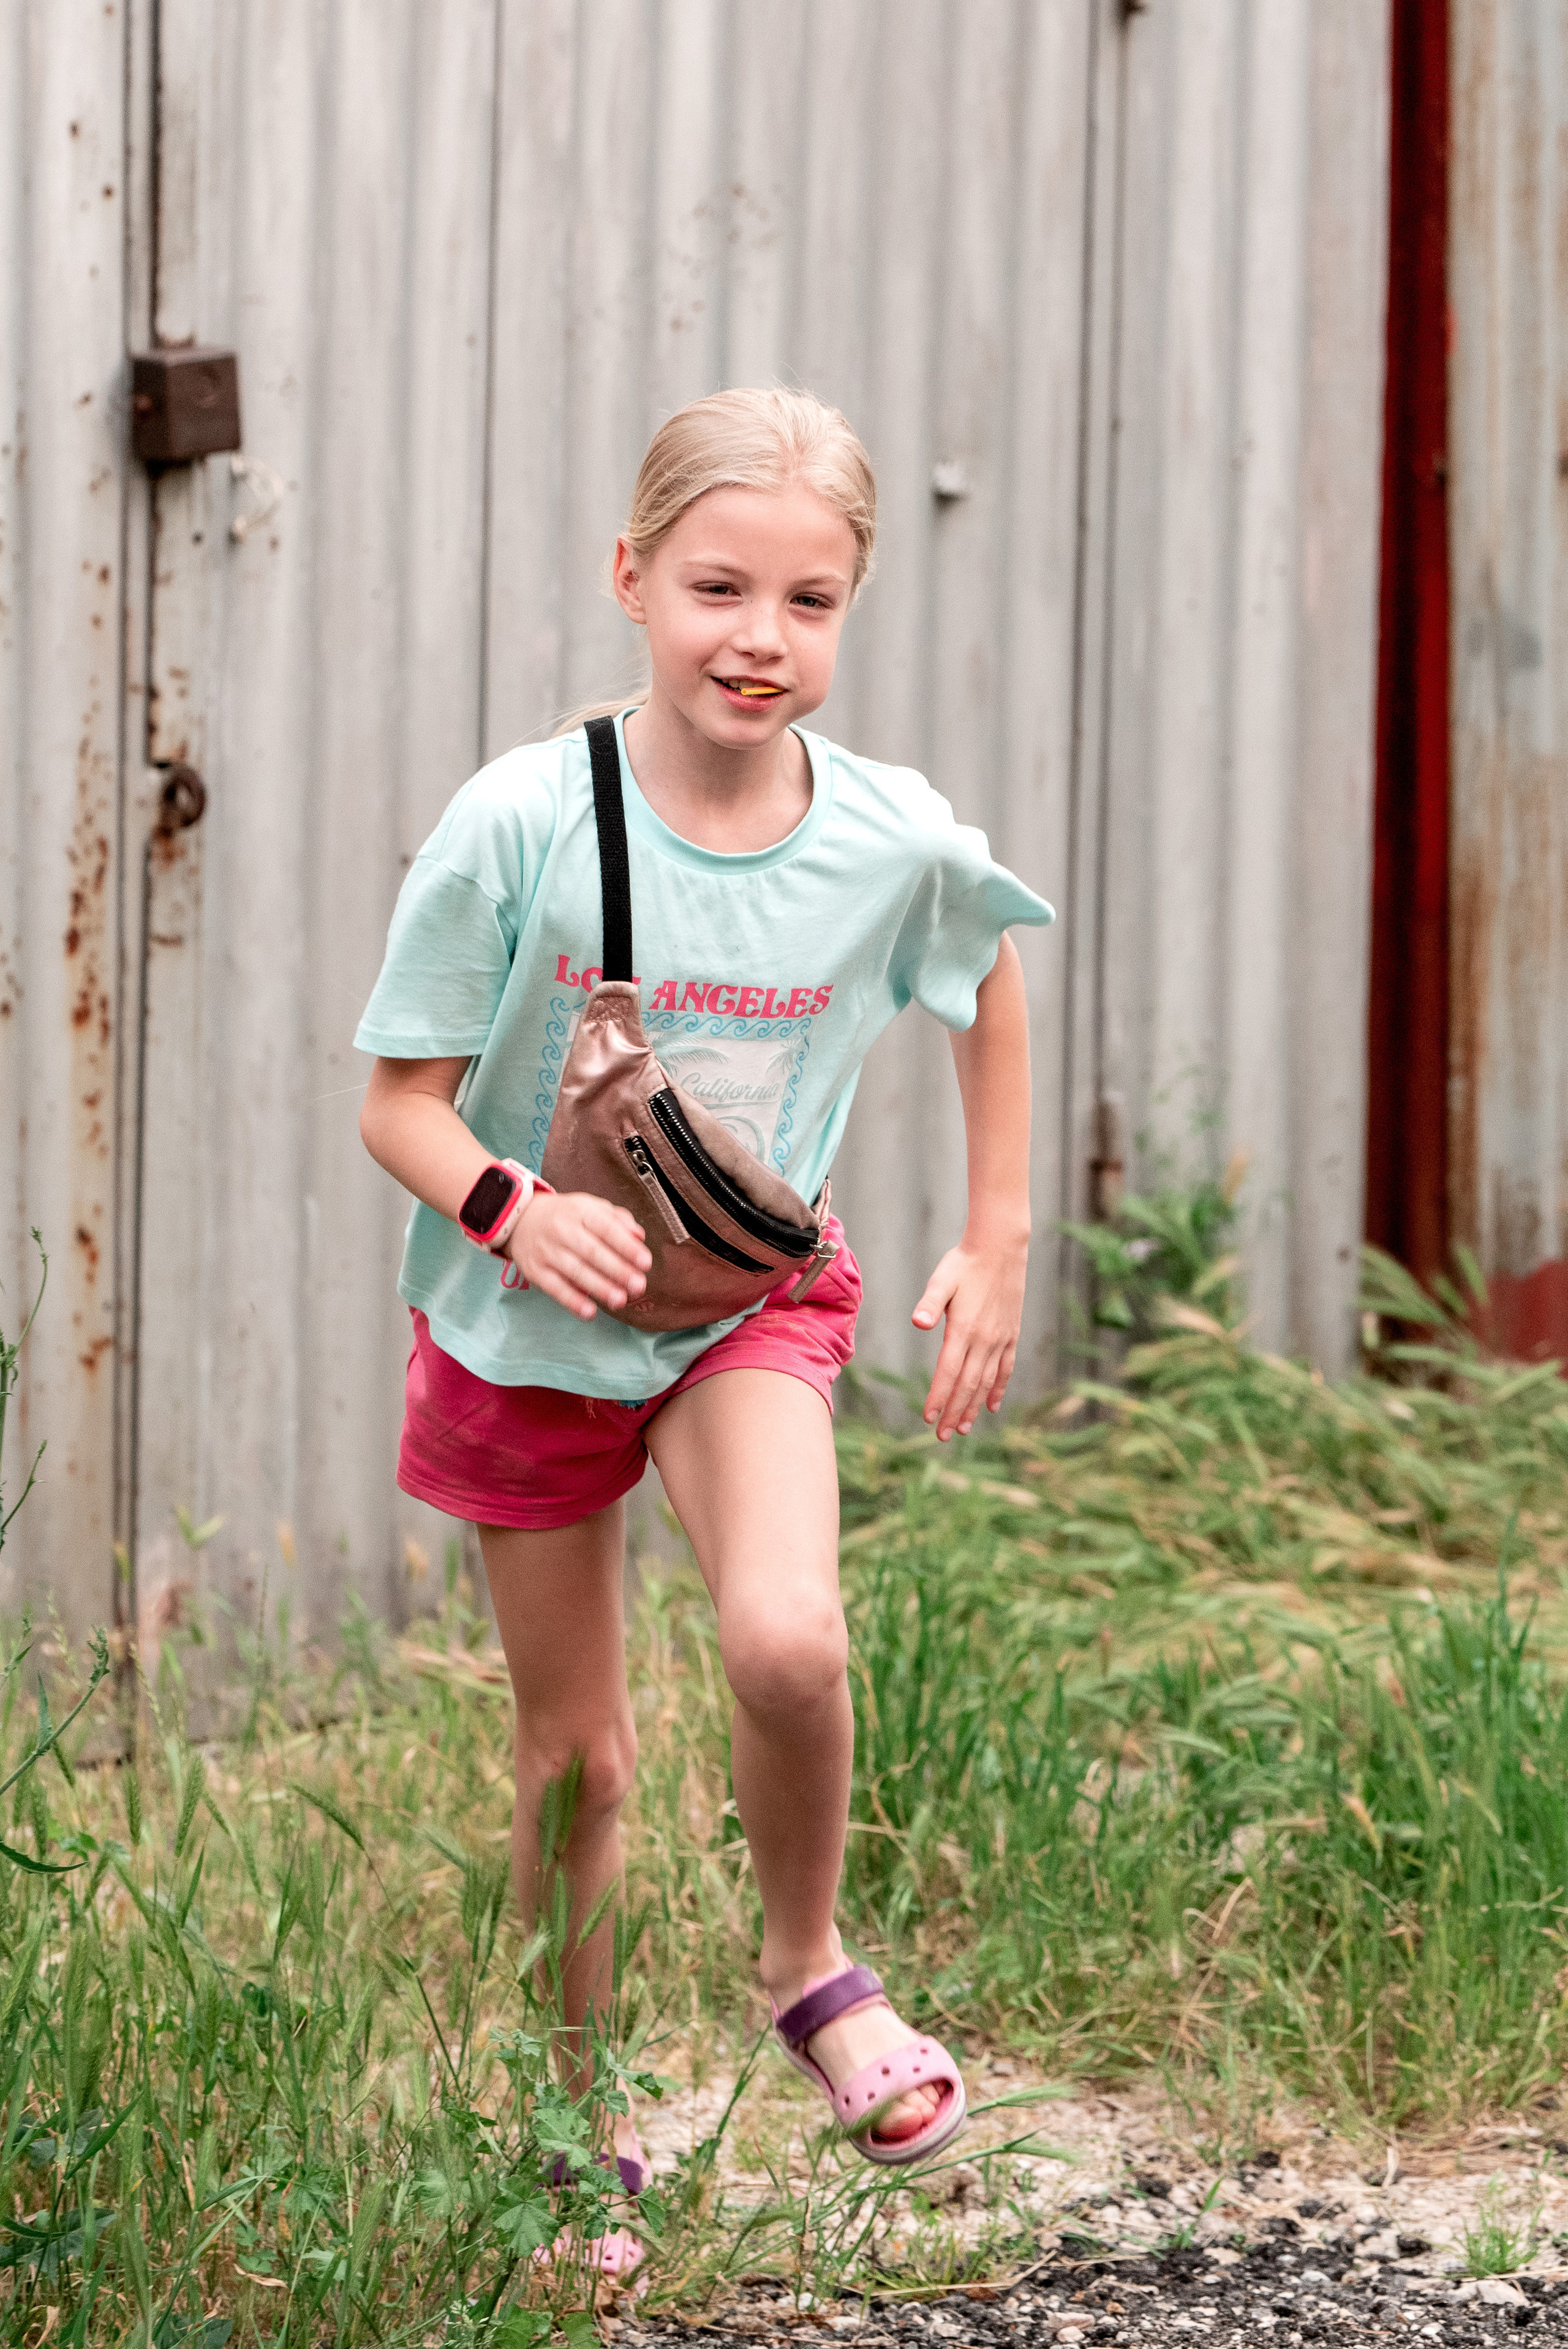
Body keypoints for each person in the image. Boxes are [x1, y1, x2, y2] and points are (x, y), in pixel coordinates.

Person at [356, 387, 1054, 2274]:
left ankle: (808, 1965)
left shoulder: (882, 834)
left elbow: (985, 966)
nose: (762, 638)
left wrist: (996, 1234)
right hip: (526, 1328)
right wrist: (513, 1206)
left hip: (743, 1304)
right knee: (575, 1760)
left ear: (850, 607)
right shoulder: (520, 821)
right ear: (632, 578)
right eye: (719, 588)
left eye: (809, 600)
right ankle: (572, 2118)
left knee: (789, 1636)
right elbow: (399, 1101)